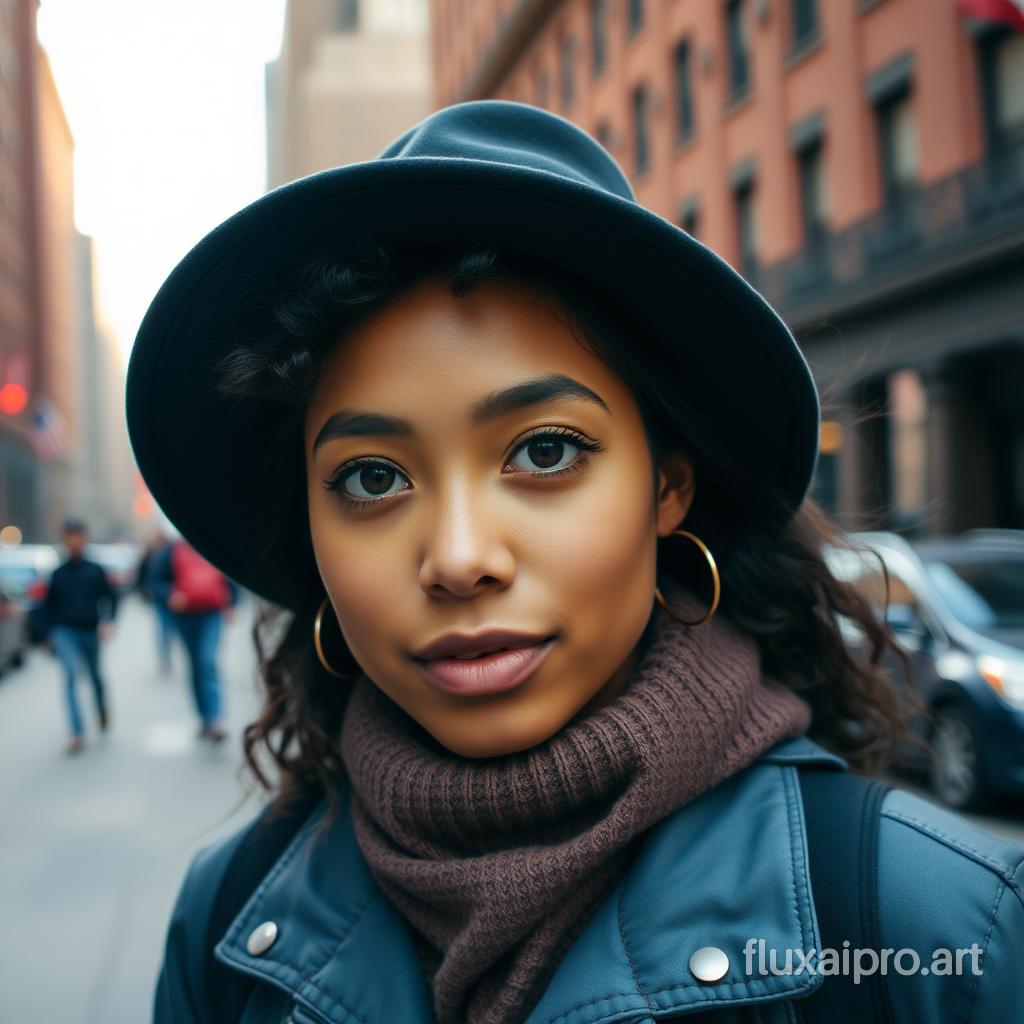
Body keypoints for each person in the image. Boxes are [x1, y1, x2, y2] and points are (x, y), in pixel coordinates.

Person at [127, 103, 1024, 1023]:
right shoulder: (229, 920)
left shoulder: (939, 928)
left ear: (666, 488)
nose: (460, 558)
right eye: (370, 477)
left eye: (545, 453)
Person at [149, 537, 238, 742]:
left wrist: (232, 602)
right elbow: (155, 580)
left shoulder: (214, 544)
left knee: (207, 661)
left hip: (212, 613)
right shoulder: (172, 550)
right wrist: (170, 595)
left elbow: (230, 572)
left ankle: (215, 718)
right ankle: (204, 717)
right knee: (196, 665)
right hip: (186, 615)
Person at [43, 517, 118, 754]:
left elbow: (112, 598)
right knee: (71, 676)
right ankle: (76, 732)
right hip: (65, 632)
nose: (73, 542)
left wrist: (109, 622)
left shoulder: (95, 570)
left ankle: (101, 708)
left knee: (95, 676)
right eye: (69, 538)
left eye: (77, 537)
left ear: (84, 539)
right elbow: (48, 606)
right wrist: (48, 634)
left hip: (90, 631)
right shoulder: (58, 574)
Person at [135, 529, 177, 674]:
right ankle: (165, 656)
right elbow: (143, 575)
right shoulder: (151, 555)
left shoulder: (168, 555)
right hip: (161, 600)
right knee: (163, 629)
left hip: (171, 599)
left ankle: (167, 654)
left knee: (167, 629)